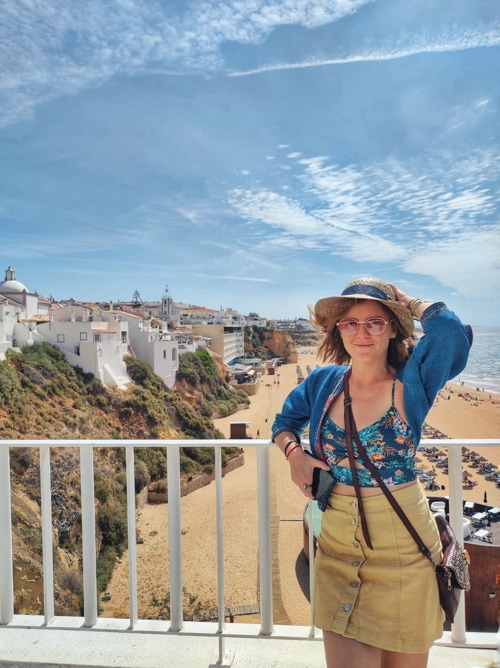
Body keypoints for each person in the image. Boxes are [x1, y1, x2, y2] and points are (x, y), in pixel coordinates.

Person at [272, 277, 472, 668]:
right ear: (338, 330)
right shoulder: (323, 382)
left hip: (404, 549)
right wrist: (294, 453)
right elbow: (283, 421)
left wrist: (408, 302)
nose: (361, 332)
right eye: (350, 322)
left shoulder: (411, 382)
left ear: (393, 329)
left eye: (375, 322)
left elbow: (449, 334)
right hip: (335, 546)